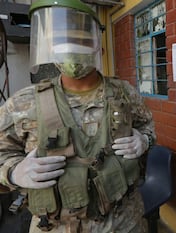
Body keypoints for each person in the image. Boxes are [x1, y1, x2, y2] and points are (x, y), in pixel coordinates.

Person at [0, 0, 155, 232]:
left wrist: (144, 140)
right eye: (64, 43)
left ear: (97, 48)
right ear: (52, 50)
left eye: (81, 41)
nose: (73, 51)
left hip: (126, 220)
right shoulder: (23, 103)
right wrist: (13, 172)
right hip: (56, 226)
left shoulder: (124, 92)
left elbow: (147, 126)